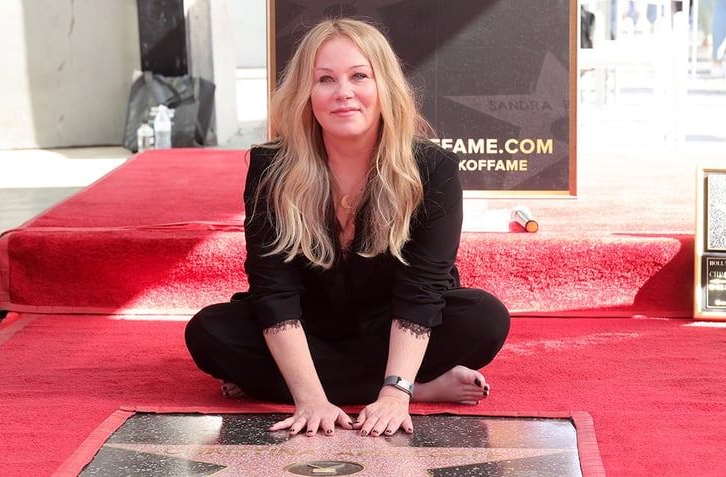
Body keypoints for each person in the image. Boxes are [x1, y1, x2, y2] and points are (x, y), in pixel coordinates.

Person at [184, 18, 510, 439]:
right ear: (306, 93)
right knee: (209, 333)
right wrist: (309, 399)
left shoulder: (433, 169)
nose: (343, 93)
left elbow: (422, 290)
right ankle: (420, 387)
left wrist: (394, 396)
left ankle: (378, 384)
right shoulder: (271, 168)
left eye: (359, 76)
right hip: (308, 326)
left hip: (392, 325)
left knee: (485, 320)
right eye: (325, 79)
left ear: (385, 86)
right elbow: (274, 290)